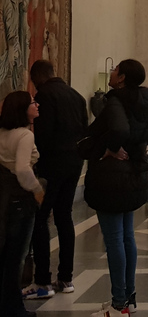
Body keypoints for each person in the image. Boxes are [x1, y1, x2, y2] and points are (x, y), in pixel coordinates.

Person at [83, 59, 148, 317]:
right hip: (136, 174)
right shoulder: (147, 100)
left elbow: (119, 129)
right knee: (126, 237)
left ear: (121, 77)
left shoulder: (116, 100)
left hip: (112, 177)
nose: (111, 73)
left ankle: (118, 306)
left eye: (114, 70)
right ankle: (129, 299)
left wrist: (109, 148)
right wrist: (140, 144)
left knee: (114, 241)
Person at [22, 60, 87, 300]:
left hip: (51, 166)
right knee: (64, 216)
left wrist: (37, 165)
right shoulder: (76, 96)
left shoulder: (44, 96)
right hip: (74, 164)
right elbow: (84, 131)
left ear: (36, 76)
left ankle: (42, 281)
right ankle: (66, 278)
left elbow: (42, 136)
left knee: (40, 219)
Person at [0, 91, 44, 317]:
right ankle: (12, 309)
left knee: (4, 254)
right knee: (16, 257)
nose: (36, 105)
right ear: (21, 109)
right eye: (32, 103)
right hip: (20, 200)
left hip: (4, 198)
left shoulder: (3, 133)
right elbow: (23, 169)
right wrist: (38, 191)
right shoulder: (24, 135)